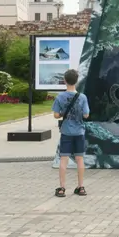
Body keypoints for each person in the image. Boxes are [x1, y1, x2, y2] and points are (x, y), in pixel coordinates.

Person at [52, 69, 90, 198]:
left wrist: (63, 113)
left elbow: (56, 115)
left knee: (64, 159)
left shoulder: (60, 97)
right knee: (80, 159)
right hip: (79, 132)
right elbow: (86, 114)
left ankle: (62, 188)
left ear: (65, 80)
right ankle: (80, 187)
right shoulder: (83, 97)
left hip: (66, 132)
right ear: (76, 80)